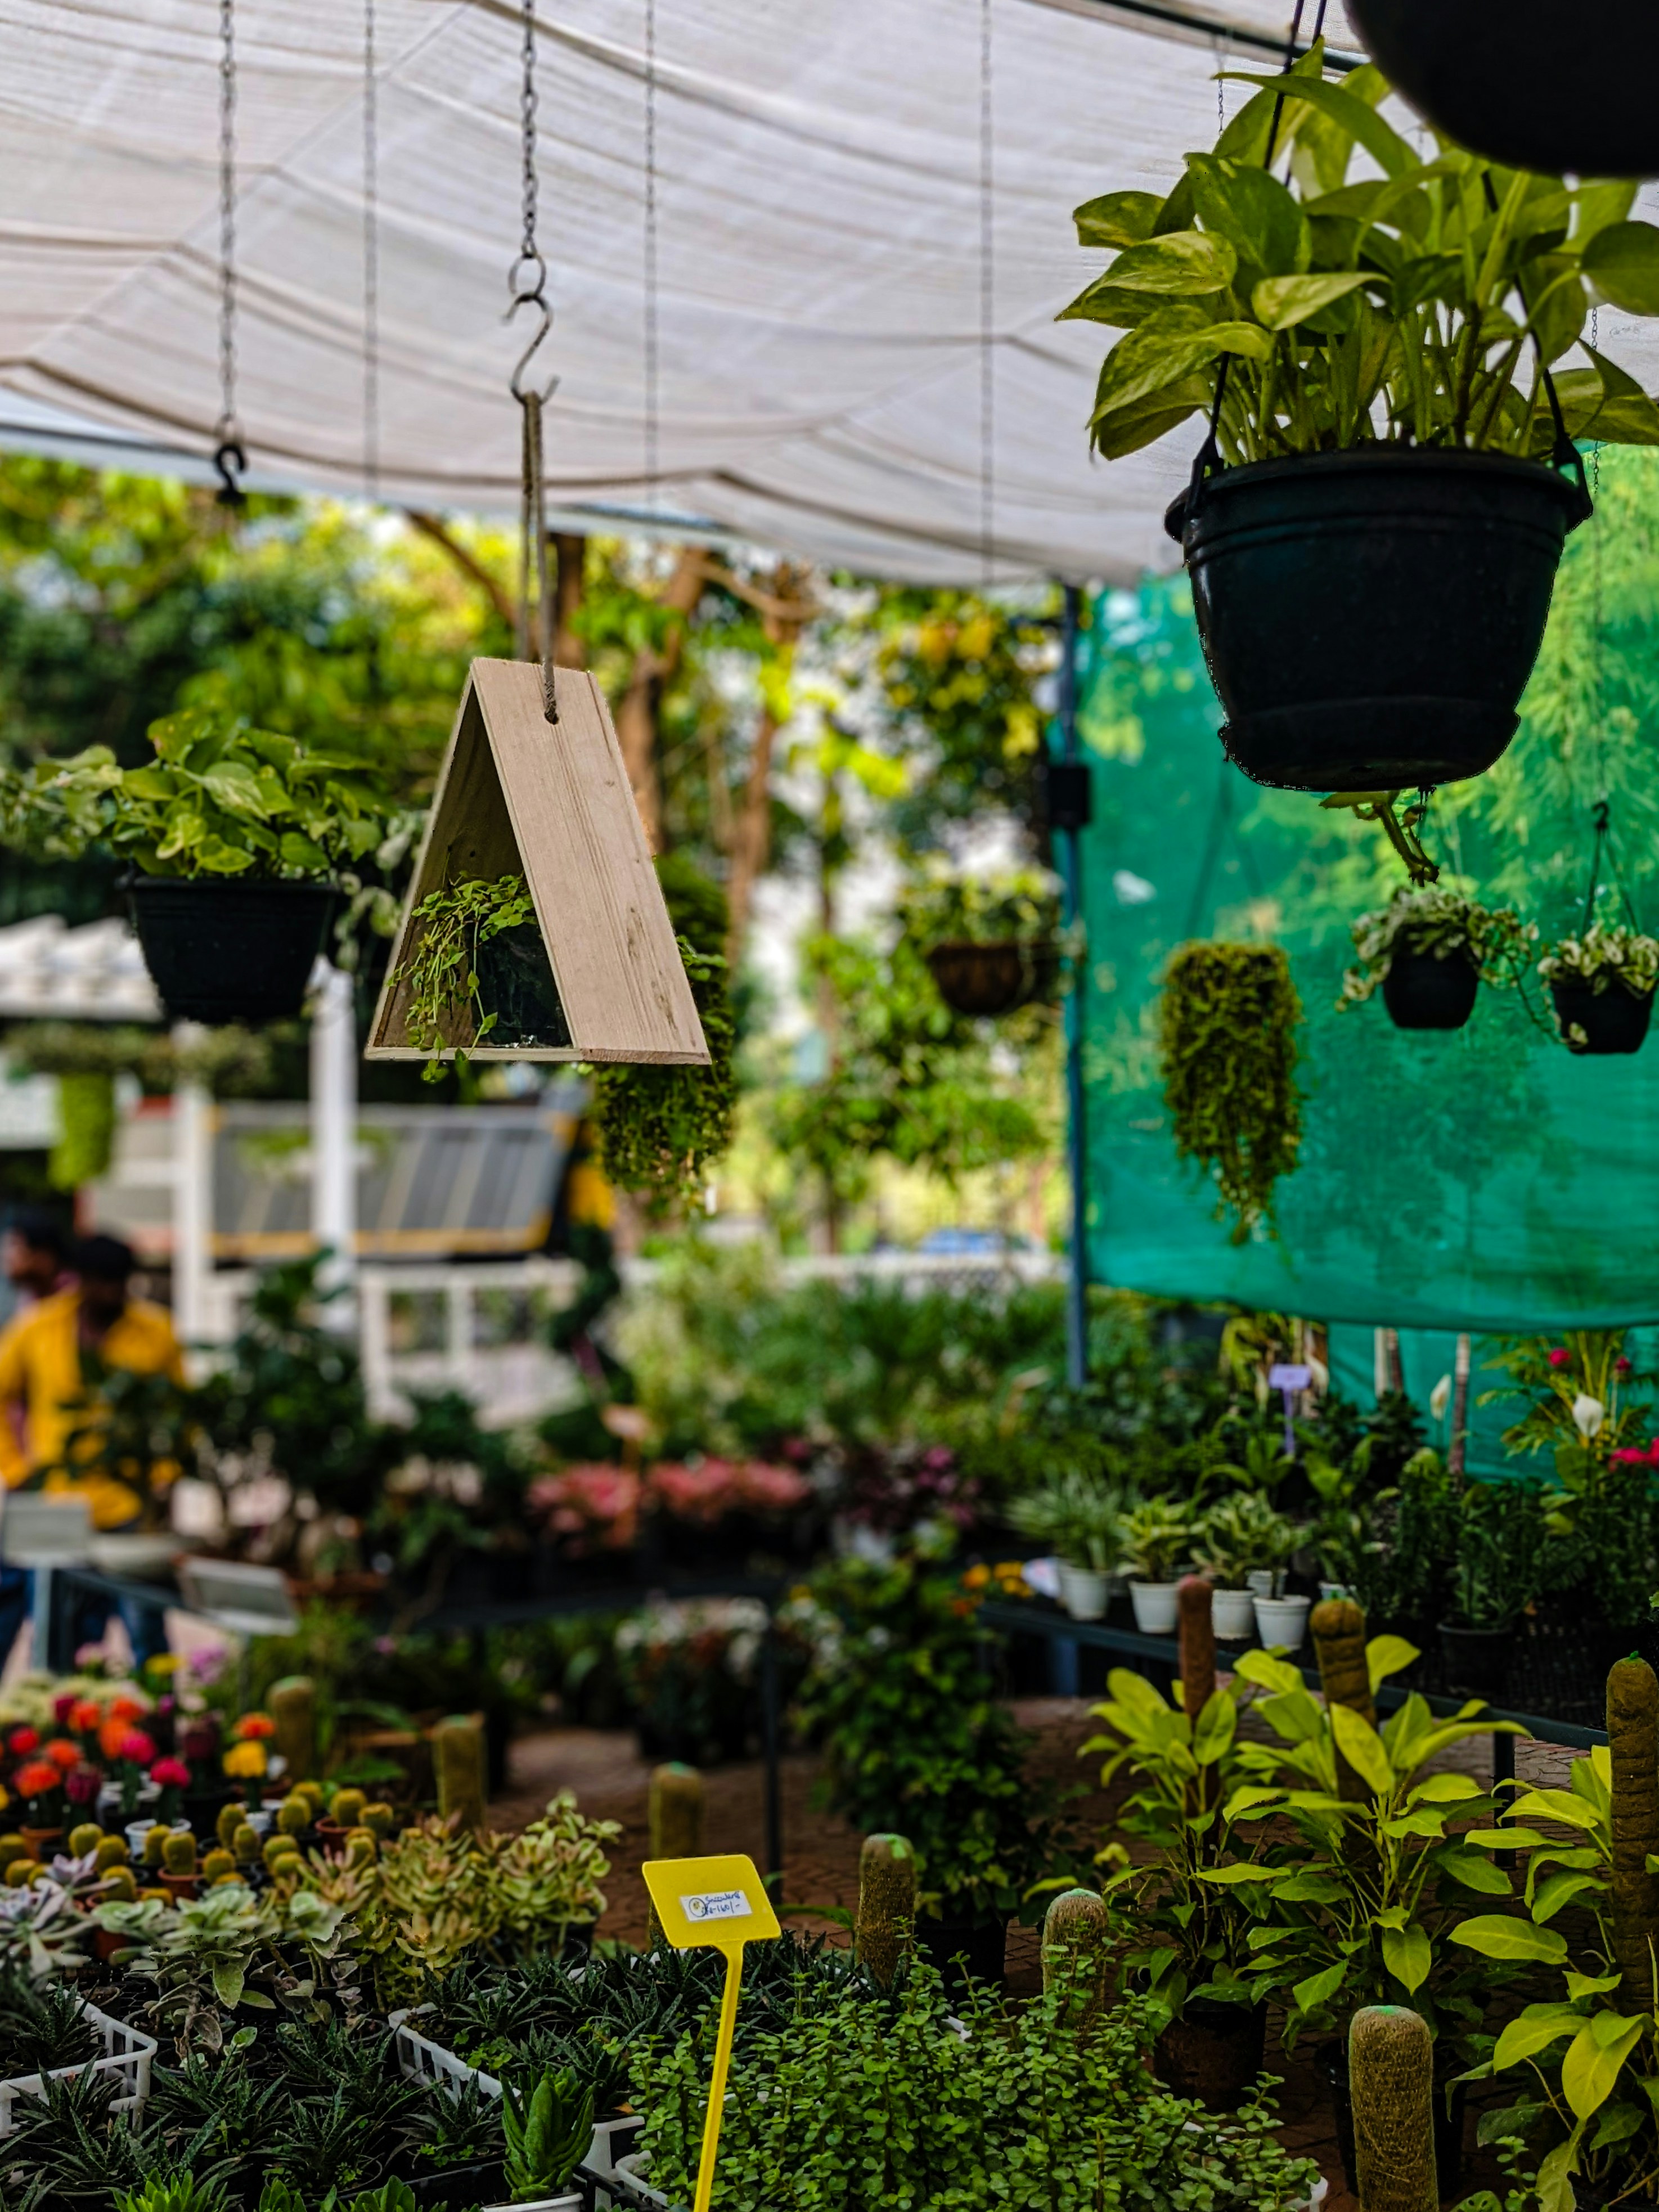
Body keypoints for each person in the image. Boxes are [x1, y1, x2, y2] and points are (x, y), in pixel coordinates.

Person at [0, 1234, 185, 1664]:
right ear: (79, 1281)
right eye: (101, 1283)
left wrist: (165, 1476)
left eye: (119, 1283)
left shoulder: (155, 1332)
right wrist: (14, 1469)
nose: (111, 1293)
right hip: (57, 1504)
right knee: (59, 1627)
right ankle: (62, 1722)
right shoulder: (38, 1327)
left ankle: (159, 1721)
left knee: (146, 1627)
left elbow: (181, 1414)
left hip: (128, 1506)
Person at [2, 1208, 71, 1310]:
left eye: (15, 1244)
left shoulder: (73, 1295)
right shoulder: (28, 1297)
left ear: (44, 1255)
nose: (5, 1255)